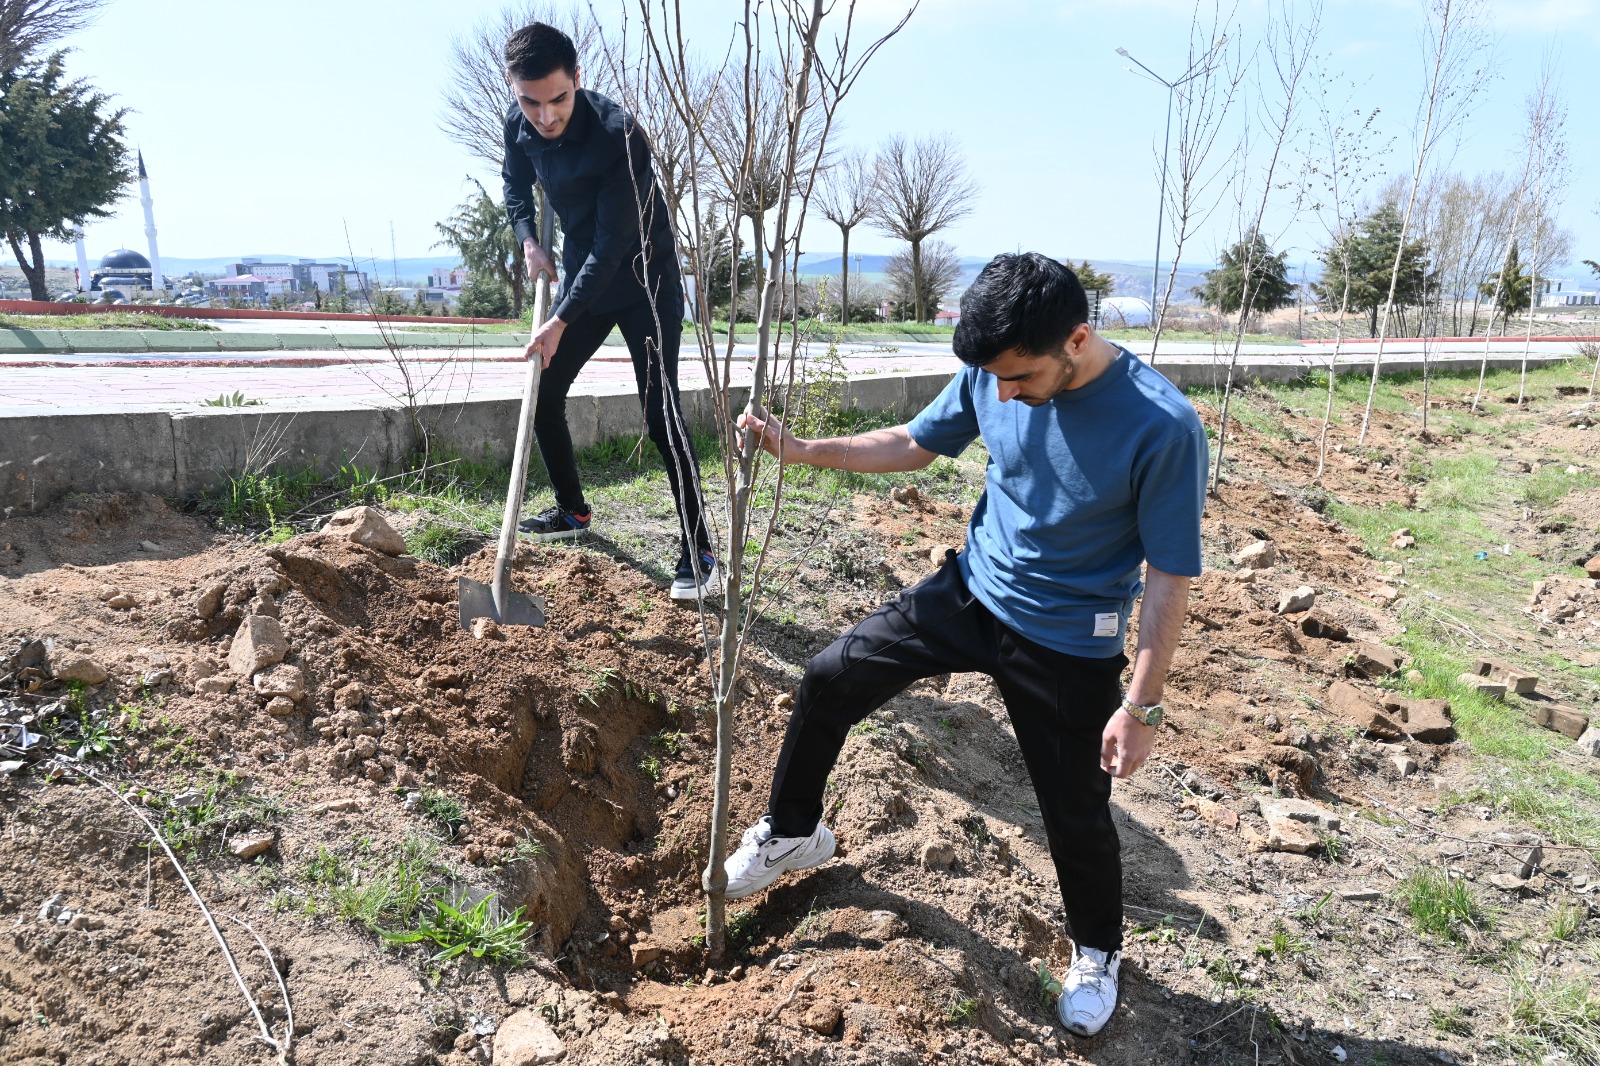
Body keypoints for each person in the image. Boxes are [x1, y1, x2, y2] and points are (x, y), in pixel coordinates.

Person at [722, 253, 1208, 1037]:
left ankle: (1096, 952)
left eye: (1019, 378)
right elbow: (914, 442)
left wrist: (1142, 705)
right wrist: (803, 449)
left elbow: (1168, 579)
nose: (1002, 395)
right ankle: (793, 832)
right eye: (993, 379)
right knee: (830, 675)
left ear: (1077, 339)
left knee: (1074, 811)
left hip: (1069, 639)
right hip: (972, 590)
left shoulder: (1162, 426)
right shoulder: (995, 369)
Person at [500, 22, 717, 600]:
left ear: (577, 78)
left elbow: (611, 246)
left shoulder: (619, 136)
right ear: (515, 90)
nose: (545, 116)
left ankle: (699, 547)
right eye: (531, 102)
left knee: (660, 413)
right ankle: (572, 511)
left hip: (645, 281)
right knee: (542, 389)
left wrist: (559, 320)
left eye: (557, 99)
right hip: (584, 280)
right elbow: (515, 186)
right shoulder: (519, 124)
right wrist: (528, 240)